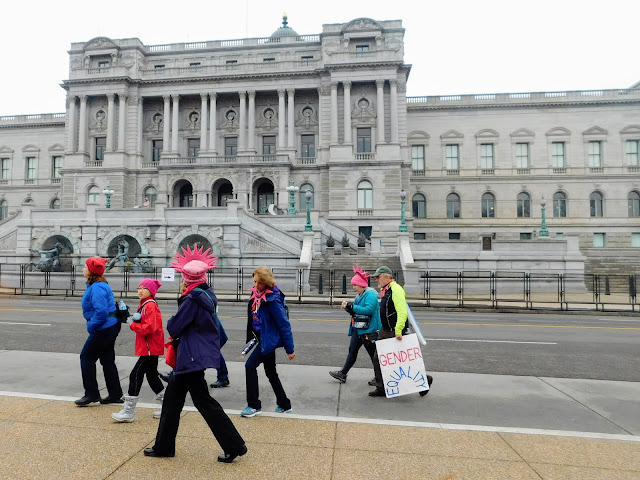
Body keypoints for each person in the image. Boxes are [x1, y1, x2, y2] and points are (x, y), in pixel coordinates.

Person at [145, 245, 247, 462]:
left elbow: (174, 327)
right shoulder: (206, 293)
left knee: (203, 402)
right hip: (192, 357)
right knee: (173, 401)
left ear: (187, 278)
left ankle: (235, 445)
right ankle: (164, 446)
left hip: (190, 357)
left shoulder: (192, 299)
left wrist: (174, 318)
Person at [368, 266, 433, 397]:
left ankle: (424, 379)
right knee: (380, 358)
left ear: (387, 277)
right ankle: (381, 387)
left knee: (399, 360)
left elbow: (402, 311)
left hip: (393, 331)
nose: (376, 280)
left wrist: (398, 330)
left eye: (378, 277)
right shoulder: (386, 290)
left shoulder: (396, 289)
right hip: (385, 330)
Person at [241, 266, 295, 417]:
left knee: (250, 366)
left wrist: (290, 349)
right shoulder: (257, 294)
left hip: (267, 341)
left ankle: (253, 405)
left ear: (267, 282)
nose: (256, 285)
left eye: (259, 283)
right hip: (261, 338)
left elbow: (284, 325)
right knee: (271, 372)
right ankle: (284, 404)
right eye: (255, 282)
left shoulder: (272, 301)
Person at [112, 278, 165, 422]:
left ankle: (129, 411)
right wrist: (130, 319)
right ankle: (168, 407)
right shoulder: (146, 304)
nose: (140, 291)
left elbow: (149, 328)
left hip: (150, 348)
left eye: (144, 288)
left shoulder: (149, 305)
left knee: (135, 375)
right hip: (151, 347)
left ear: (151, 291)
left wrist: (131, 324)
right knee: (152, 376)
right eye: (139, 288)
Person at [75, 257, 124, 406]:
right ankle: (115, 393)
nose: (83, 269)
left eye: (85, 267)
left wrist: (91, 326)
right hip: (109, 326)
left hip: (104, 328)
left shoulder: (97, 287)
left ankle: (91, 394)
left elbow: (101, 312)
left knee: (86, 358)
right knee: (107, 360)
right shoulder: (98, 285)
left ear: (91, 271)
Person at [329, 265, 381, 383]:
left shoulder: (371, 294)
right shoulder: (360, 295)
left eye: (355, 285)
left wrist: (351, 306)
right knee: (352, 351)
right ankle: (343, 373)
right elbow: (356, 312)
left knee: (374, 355)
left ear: (362, 284)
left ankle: (379, 378)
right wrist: (348, 308)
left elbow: (369, 310)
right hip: (358, 329)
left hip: (369, 329)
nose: (353, 287)